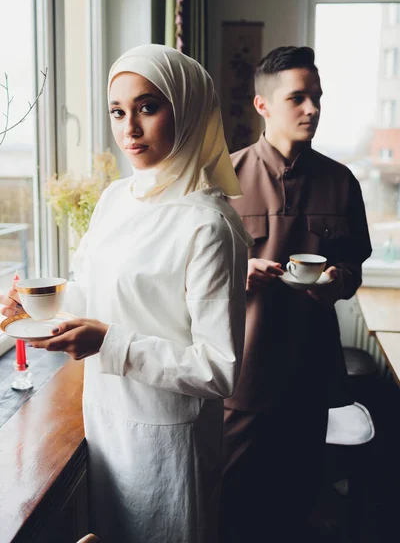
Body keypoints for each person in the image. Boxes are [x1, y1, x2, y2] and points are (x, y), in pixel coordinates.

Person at [0, 44, 252, 543]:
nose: (129, 129)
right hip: (105, 421)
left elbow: (219, 368)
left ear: (188, 108)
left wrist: (108, 343)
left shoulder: (209, 224)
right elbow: (99, 293)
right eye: (118, 111)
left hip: (167, 446)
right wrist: (34, 305)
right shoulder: (117, 198)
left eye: (148, 107)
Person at [219, 46, 372, 542]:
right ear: (263, 105)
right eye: (298, 98)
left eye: (318, 97)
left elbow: (353, 263)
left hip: (309, 375)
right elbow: (190, 272)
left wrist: (338, 281)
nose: (313, 109)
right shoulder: (223, 180)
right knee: (232, 501)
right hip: (242, 375)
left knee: (299, 502)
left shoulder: (342, 181)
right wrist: (237, 271)